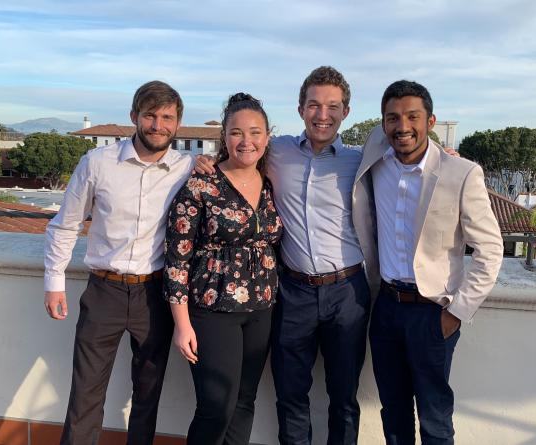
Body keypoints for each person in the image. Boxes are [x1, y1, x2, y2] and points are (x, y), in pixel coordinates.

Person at [195, 66, 370, 445]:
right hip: (293, 293)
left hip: (348, 292)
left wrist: (444, 152)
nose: (322, 115)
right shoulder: (278, 152)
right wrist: (199, 161)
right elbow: (240, 151)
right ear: (300, 108)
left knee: (343, 398)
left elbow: (408, 161)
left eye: (332, 107)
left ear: (346, 112)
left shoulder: (360, 160)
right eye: (314, 105)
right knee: (290, 395)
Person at [352, 80, 503, 444]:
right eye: (392, 118)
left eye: (412, 116)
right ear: (382, 123)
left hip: (433, 312)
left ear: (431, 121)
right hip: (386, 308)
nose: (402, 126)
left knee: (435, 417)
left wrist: (456, 312)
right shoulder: (376, 153)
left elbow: (491, 249)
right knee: (394, 412)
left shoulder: (461, 173)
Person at [44, 80, 194, 445]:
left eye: (167, 118)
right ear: (134, 117)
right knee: (85, 394)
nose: (158, 125)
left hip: (155, 295)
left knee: (147, 395)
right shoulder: (97, 163)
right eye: (150, 116)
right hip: (103, 292)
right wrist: (54, 281)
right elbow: (66, 224)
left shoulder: (187, 166)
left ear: (177, 123)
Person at [164, 93, 283, 445]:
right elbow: (177, 257)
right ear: (224, 137)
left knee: (245, 402)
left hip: (262, 308)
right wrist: (181, 323)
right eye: (236, 133)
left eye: (255, 132)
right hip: (212, 310)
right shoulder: (201, 183)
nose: (246, 141)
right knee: (216, 404)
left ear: (267, 136)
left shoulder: (272, 182)